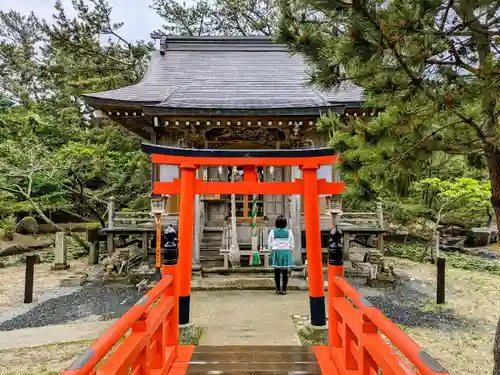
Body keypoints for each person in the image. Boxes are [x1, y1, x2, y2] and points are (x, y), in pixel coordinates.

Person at [268, 215, 294, 295]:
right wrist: (290, 250)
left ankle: (278, 289)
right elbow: (292, 243)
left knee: (277, 272)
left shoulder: (273, 231)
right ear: (285, 223)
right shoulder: (289, 231)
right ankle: (284, 290)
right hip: (286, 252)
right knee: (285, 272)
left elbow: (270, 243)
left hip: (276, 252)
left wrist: (271, 251)